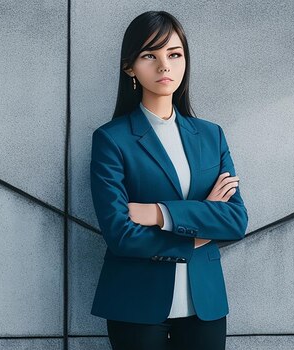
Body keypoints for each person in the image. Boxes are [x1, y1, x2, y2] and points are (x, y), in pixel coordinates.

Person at [89, 10, 248, 350]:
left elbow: (235, 220)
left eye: (174, 54)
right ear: (130, 67)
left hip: (204, 304)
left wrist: (160, 214)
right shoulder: (111, 139)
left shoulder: (211, 136)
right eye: (151, 55)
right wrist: (202, 221)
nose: (165, 66)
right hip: (135, 303)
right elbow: (121, 235)